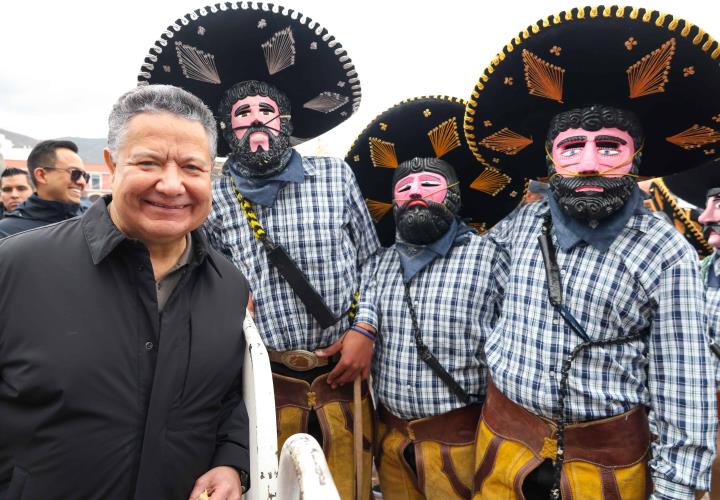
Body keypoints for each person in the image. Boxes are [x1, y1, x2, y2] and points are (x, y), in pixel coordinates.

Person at [463, 7, 719, 499]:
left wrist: (676, 492)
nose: (589, 163)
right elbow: (482, 295)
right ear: (552, 159)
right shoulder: (522, 224)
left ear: (636, 157)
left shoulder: (666, 253)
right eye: (572, 146)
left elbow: (683, 390)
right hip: (503, 445)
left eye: (609, 147)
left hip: (603, 466)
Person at [138, 6, 377, 497]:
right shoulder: (212, 189)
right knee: (272, 485)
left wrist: (365, 327)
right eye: (241, 114)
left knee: (347, 484)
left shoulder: (334, 175)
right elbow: (203, 268)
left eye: (265, 111)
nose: (254, 122)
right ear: (227, 129)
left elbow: (372, 260)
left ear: (285, 120)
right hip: (262, 376)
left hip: (343, 369)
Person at [0, 84, 250, 499]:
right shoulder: (16, 266)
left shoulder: (228, 286)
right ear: (112, 165)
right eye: (149, 162)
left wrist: (231, 460)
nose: (171, 185)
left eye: (192, 167)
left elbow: (223, 397)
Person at [346, 96, 526, 499]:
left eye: (429, 185)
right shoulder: (379, 263)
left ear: (454, 196)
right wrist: (364, 324)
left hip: (463, 442)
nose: (415, 194)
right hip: (391, 443)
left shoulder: (490, 256)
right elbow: (365, 302)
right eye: (404, 188)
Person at [0, 140, 87, 237]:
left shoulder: (93, 218)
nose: (82, 182)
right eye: (75, 173)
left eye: (85, 176)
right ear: (41, 175)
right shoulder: (6, 233)